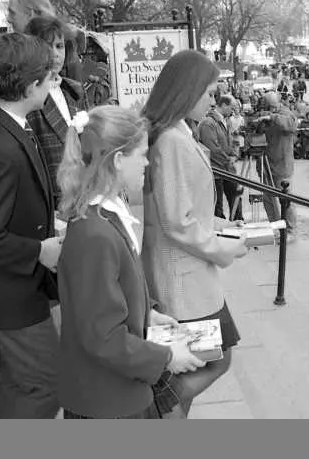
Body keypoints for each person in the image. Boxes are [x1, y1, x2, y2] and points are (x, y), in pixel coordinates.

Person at [55, 105, 204, 419]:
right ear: (118, 160)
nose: (147, 163)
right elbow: (102, 336)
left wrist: (146, 313)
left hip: (117, 391)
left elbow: (110, 293)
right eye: (142, 154)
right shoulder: (94, 234)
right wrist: (164, 357)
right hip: (106, 401)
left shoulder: (107, 214)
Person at [141, 50, 248, 418]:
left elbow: (190, 210)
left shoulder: (179, 133)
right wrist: (222, 249)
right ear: (186, 92)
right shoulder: (172, 139)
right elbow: (176, 221)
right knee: (210, 364)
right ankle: (155, 413)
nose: (213, 100)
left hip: (192, 279)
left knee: (207, 363)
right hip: (184, 284)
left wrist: (221, 225)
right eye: (208, 92)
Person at [0, 32, 62, 419]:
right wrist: (41, 250)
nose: (52, 84)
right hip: (8, 293)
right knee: (45, 382)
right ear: (31, 86)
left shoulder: (13, 126)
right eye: (49, 78)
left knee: (21, 381)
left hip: (19, 286)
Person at [24, 15, 89, 206]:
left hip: (82, 195)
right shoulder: (30, 96)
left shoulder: (74, 90)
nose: (55, 54)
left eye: (59, 46)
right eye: (47, 46)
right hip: (51, 201)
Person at [256, 92, 298, 241]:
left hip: (282, 163)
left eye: (274, 106)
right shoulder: (264, 112)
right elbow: (257, 132)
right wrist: (259, 123)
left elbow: (292, 125)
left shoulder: (285, 112)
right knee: (268, 197)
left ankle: (290, 231)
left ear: (278, 103)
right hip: (266, 163)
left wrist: (272, 117)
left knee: (285, 199)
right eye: (269, 107)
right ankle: (275, 228)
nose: (272, 109)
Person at [197, 96, 242, 221]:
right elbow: (212, 147)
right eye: (231, 108)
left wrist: (234, 154)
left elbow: (230, 141)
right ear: (223, 105)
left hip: (227, 169)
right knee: (218, 206)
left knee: (236, 198)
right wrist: (228, 159)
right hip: (216, 170)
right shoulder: (208, 123)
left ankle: (238, 221)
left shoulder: (225, 121)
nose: (233, 112)